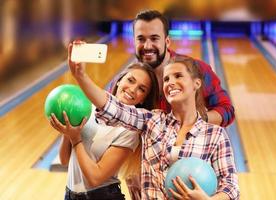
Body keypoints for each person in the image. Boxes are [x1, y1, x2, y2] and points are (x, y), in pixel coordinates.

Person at [69, 53, 239, 199]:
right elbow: (113, 108)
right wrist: (81, 75)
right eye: (166, 79)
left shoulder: (215, 135)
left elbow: (231, 187)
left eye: (178, 76)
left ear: (196, 83)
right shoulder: (152, 121)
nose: (170, 82)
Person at [49, 50, 159, 200]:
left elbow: (96, 177)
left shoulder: (130, 130)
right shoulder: (90, 107)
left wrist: (76, 139)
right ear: (120, 80)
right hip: (70, 195)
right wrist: (67, 131)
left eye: (141, 89)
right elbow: (65, 160)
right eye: (131, 80)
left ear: (143, 99)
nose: (133, 89)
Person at [131, 9, 234, 127]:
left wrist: (193, 121)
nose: (147, 46)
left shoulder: (197, 69)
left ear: (167, 41)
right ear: (134, 41)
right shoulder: (128, 77)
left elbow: (227, 110)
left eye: (154, 38)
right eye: (141, 39)